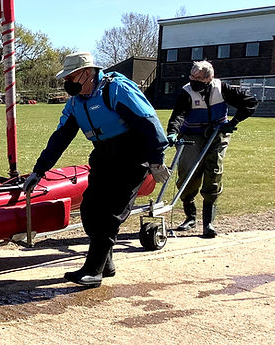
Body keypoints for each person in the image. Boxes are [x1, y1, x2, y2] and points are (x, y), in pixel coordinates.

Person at [23, 51, 169, 287]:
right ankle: (105, 263)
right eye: (65, 79)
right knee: (90, 209)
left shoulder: (117, 89)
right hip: (103, 156)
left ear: (88, 73)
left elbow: (148, 122)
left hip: (132, 155)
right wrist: (39, 171)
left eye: (71, 77)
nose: (67, 83)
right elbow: (60, 138)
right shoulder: (76, 103)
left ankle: (93, 270)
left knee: (110, 214)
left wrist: (156, 160)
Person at [166, 60, 257, 239]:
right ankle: (190, 217)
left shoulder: (221, 88)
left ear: (209, 78)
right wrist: (173, 132)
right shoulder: (186, 92)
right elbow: (178, 114)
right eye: (192, 76)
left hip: (217, 133)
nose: (193, 80)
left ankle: (208, 223)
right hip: (191, 134)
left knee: (214, 171)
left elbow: (249, 102)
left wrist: (233, 123)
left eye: (198, 78)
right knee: (187, 172)